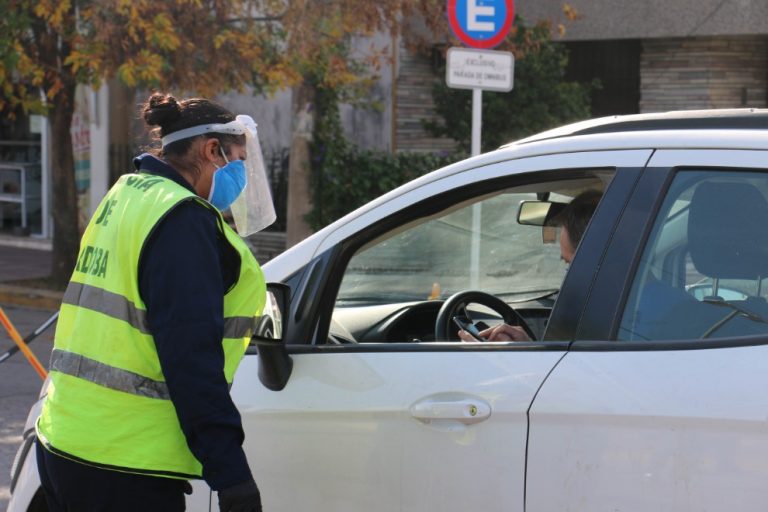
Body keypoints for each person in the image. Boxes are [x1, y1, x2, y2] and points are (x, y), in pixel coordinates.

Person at [35, 93, 275, 512]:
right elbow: (191, 359)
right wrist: (232, 475)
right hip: (123, 465)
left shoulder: (126, 194)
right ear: (211, 150)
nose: (242, 176)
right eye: (237, 159)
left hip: (64, 440)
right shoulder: (183, 219)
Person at [458, 189, 602, 342]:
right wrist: (527, 344)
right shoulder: (621, 320)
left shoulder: (605, 322)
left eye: (569, 265)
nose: (566, 280)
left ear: (596, 260)